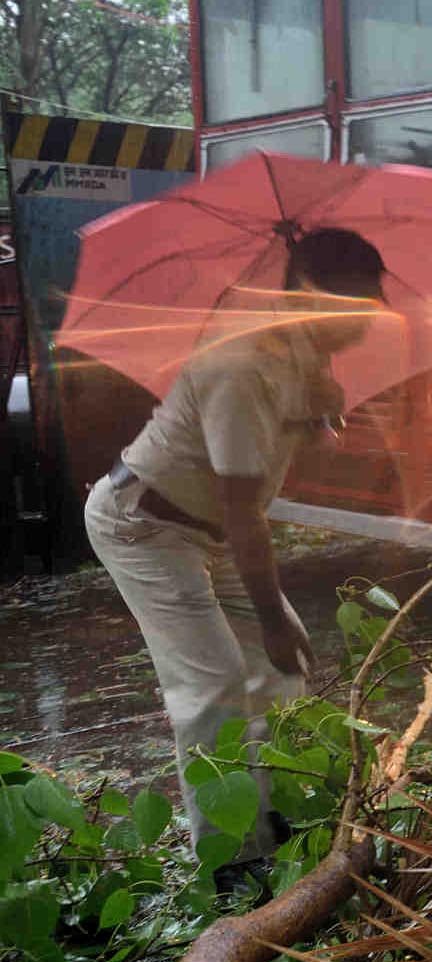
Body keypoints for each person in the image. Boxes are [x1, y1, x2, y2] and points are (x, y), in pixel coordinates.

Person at [85, 229, 386, 877]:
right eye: (359, 305)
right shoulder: (244, 360)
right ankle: (229, 857)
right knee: (215, 682)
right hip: (145, 526)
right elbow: (243, 509)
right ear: (310, 291)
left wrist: (322, 415)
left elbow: (294, 427)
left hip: (205, 531)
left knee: (285, 665)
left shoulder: (301, 346)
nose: (370, 320)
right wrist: (270, 619)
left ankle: (273, 809)